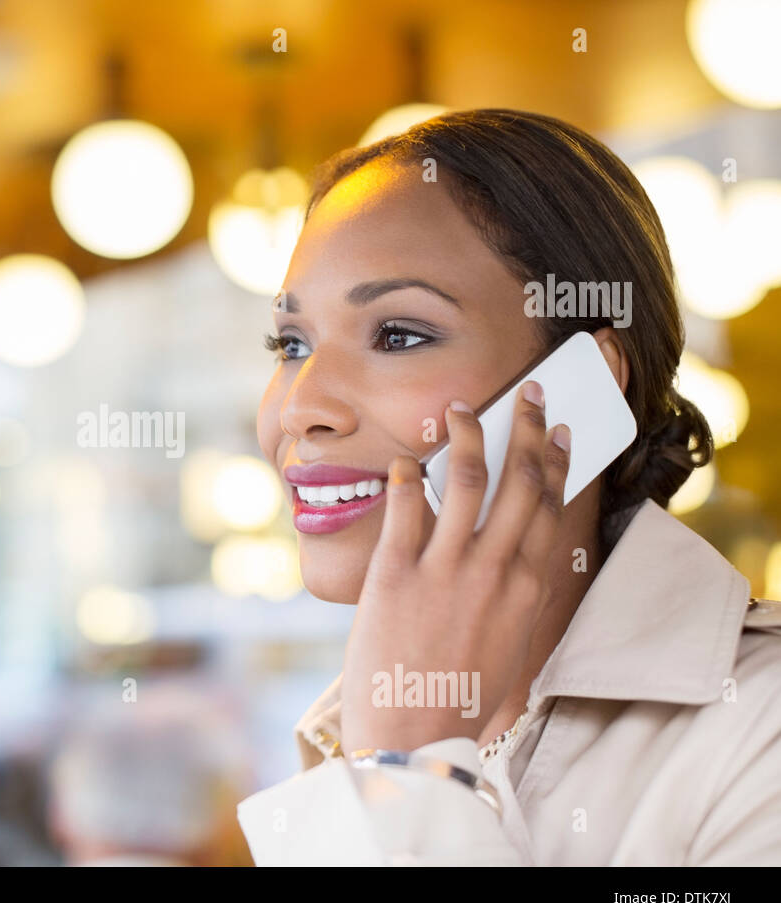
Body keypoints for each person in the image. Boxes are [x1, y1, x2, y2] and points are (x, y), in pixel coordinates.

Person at [238, 108, 781, 865]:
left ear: (578, 391)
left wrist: (408, 772)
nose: (299, 409)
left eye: (398, 335)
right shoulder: (346, 723)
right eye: (290, 344)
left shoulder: (761, 733)